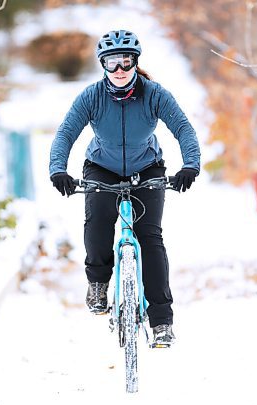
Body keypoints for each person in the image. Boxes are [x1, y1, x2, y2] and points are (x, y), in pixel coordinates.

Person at [49, 29, 201, 346]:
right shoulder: (91, 97)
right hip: (101, 168)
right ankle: (98, 284)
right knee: (99, 222)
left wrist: (190, 165)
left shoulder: (154, 94)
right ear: (103, 65)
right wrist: (58, 169)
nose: (120, 70)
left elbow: (183, 128)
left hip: (147, 169)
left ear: (135, 62)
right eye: (112, 63)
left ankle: (161, 323)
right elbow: (65, 133)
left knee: (150, 237)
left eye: (126, 62)